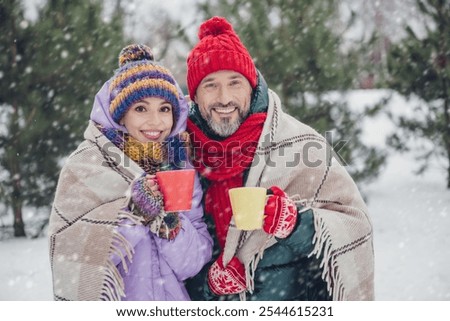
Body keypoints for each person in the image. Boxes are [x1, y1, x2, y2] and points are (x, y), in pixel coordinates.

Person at [184, 16, 374, 300]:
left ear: (251, 86)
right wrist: (209, 287)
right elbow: (161, 263)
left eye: (234, 82)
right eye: (210, 85)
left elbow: (354, 226)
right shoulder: (179, 155)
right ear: (195, 96)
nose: (224, 98)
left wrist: (296, 224)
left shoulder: (300, 144)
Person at [48, 44, 213, 301]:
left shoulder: (179, 165)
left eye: (164, 109)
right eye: (140, 109)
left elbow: (193, 263)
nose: (155, 122)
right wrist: (133, 214)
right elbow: (74, 261)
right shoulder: (87, 165)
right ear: (120, 115)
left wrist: (169, 225)